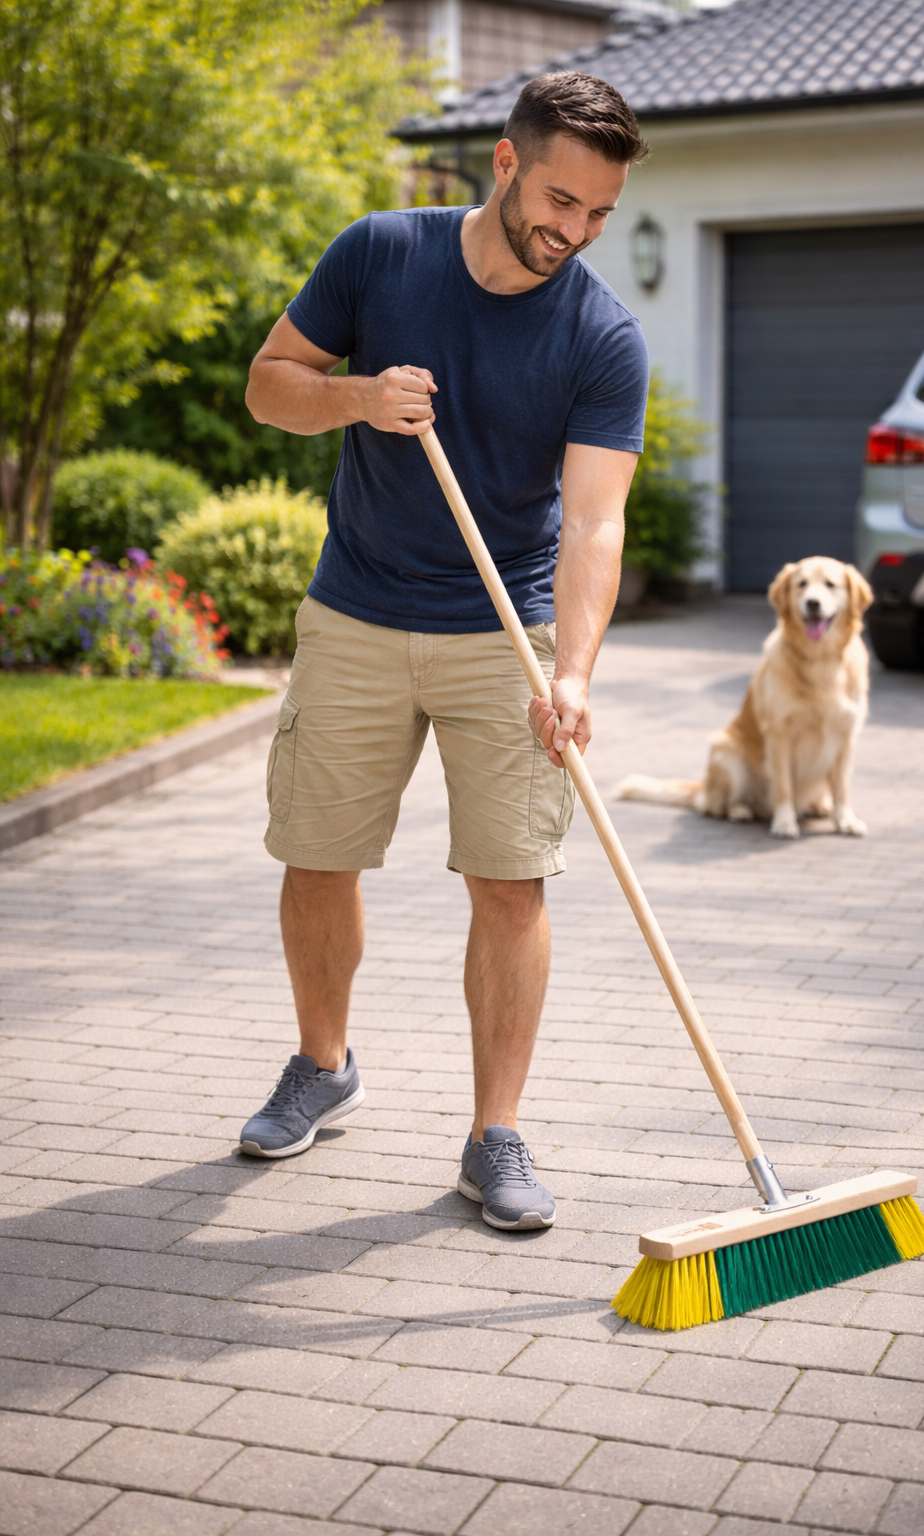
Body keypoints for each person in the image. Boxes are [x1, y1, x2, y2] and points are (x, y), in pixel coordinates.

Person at [239, 71, 649, 1230]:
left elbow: (596, 520)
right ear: (506, 164)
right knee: (317, 858)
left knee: (510, 885)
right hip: (357, 612)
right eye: (560, 199)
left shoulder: (599, 336)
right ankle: (324, 1065)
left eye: (597, 214)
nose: (572, 231)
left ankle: (494, 1134)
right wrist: (360, 397)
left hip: (503, 630)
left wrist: (571, 670)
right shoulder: (380, 253)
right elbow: (273, 387)